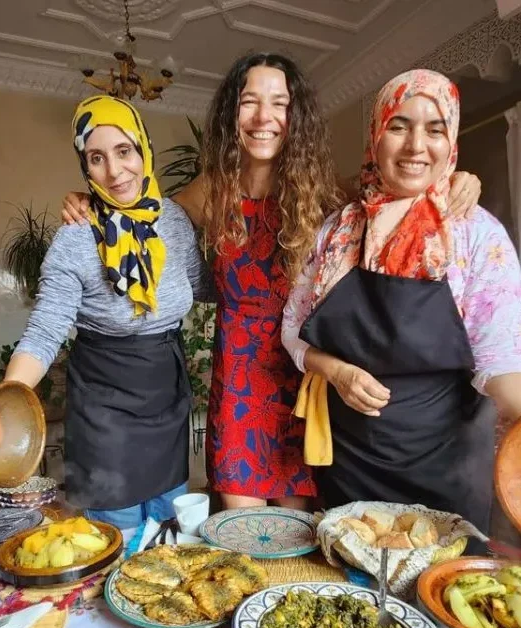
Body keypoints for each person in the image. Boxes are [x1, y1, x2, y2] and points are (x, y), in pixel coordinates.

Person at [61, 54, 482, 513]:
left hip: (303, 376)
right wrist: (90, 202)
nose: (264, 117)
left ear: (295, 115)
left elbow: (398, 190)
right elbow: (139, 212)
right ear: (232, 113)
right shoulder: (212, 190)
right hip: (237, 380)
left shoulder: (324, 191)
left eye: (279, 103)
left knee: (297, 532)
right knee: (240, 530)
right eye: (249, 102)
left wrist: (456, 179)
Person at [0, 95, 207, 532]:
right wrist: (0, 406)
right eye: (96, 158)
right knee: (117, 535)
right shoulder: (75, 239)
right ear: (85, 166)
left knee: (172, 533)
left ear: (143, 149)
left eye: (124, 151)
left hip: (166, 396)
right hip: (104, 407)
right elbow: (44, 331)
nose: (114, 171)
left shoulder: (175, 223)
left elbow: (206, 287)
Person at [282, 68, 521, 532]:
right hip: (351, 467)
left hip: (445, 468)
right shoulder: (338, 231)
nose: (416, 146)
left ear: (450, 142)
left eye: (434, 130)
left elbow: (502, 362)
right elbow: (293, 330)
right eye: (399, 126)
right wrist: (337, 371)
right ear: (376, 136)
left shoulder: (475, 234)